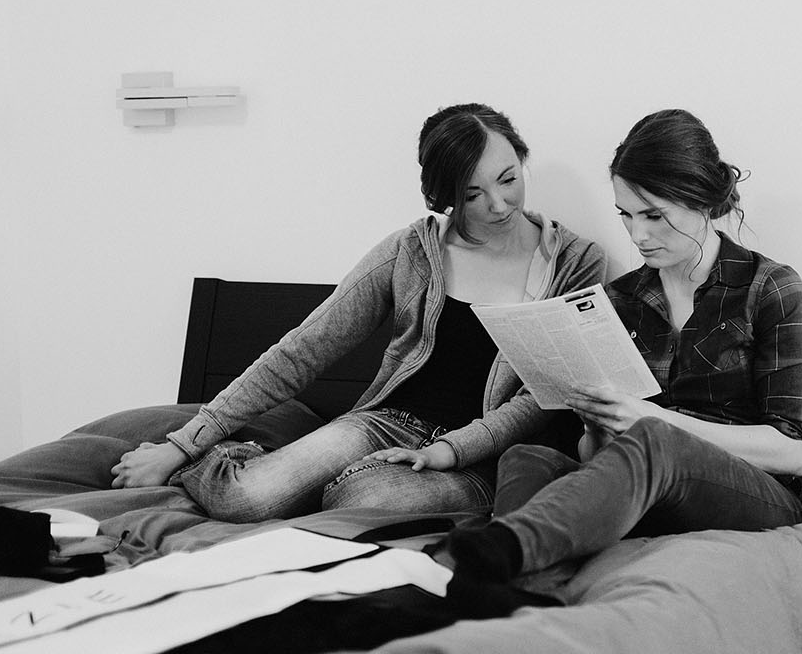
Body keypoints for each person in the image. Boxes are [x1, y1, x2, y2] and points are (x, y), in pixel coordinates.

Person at [110, 103, 607, 524]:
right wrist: (182, 444)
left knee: (363, 499)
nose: (499, 205)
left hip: (484, 459)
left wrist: (452, 450)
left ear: (522, 160)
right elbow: (302, 351)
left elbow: (542, 397)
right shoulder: (411, 252)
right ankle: (250, 461)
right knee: (244, 497)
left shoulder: (576, 263)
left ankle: (338, 485)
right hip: (385, 425)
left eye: (508, 179)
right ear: (445, 197)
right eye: (472, 194)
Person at [437, 108, 802, 618]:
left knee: (656, 439)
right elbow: (599, 451)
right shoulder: (619, 300)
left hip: (756, 494)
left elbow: (794, 453)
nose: (637, 236)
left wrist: (651, 421)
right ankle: (522, 593)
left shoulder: (770, 288)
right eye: (625, 214)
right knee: (526, 457)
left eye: (654, 215)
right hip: (648, 486)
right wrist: (598, 421)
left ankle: (505, 548)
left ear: (704, 202)